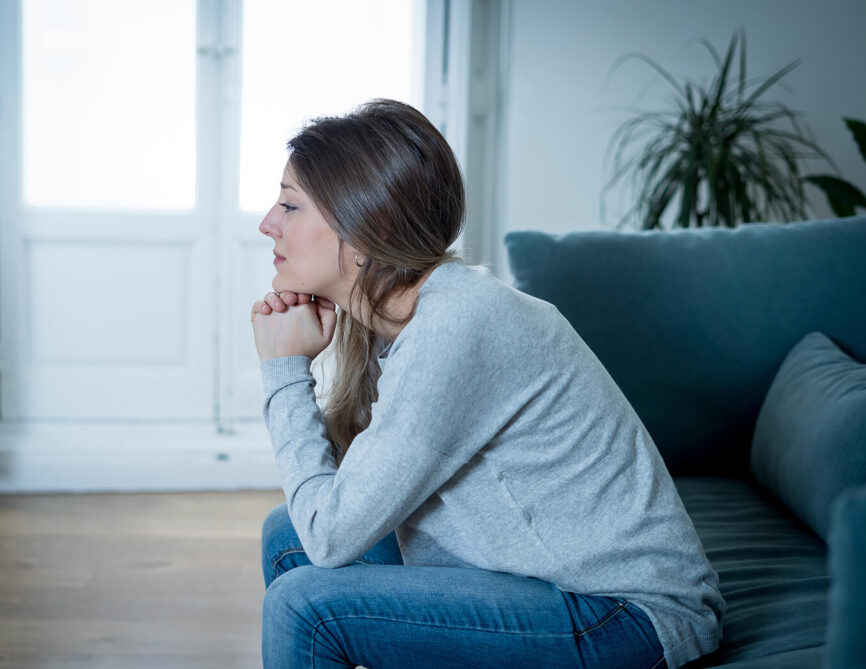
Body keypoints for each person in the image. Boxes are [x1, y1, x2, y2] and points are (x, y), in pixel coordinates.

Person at [249, 99, 724, 669]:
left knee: (306, 607)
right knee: (287, 536)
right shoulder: (404, 317)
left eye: (290, 205)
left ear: (364, 227)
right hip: (538, 579)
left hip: (627, 615)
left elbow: (332, 533)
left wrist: (283, 370)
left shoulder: (457, 324)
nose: (267, 223)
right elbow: (346, 505)